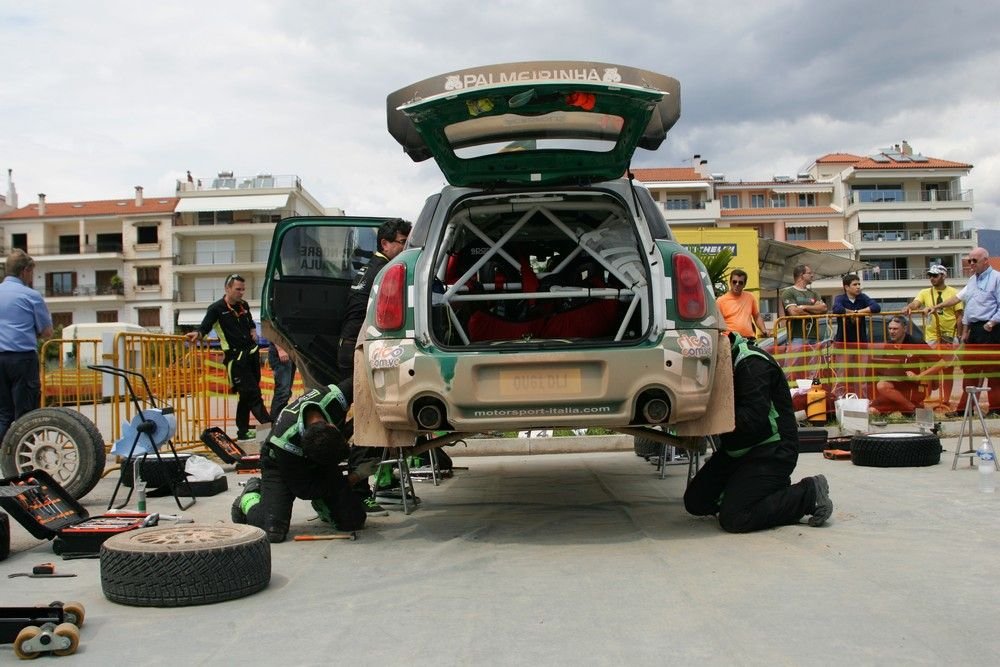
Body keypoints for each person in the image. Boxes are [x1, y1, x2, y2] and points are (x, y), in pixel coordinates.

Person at [684, 333, 833, 532]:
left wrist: (708, 417)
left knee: (735, 518)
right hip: (738, 450)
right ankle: (759, 492)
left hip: (772, 450)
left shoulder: (751, 364)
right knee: (696, 501)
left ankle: (808, 494)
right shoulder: (723, 364)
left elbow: (753, 418)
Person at [230, 385, 374, 543]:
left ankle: (324, 503)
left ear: (332, 426)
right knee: (273, 530)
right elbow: (304, 490)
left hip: (319, 457)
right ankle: (250, 495)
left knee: (353, 520)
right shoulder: (285, 440)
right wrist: (356, 476)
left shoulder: (332, 397)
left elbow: (362, 383)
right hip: (278, 464)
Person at [186, 274, 270, 441]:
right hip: (236, 360)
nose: (241, 292)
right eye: (238, 289)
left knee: (247, 395)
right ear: (227, 289)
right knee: (252, 395)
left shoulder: (243, 305)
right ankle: (270, 429)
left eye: (243, 289)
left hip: (251, 356)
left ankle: (243, 432)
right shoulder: (216, 308)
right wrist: (198, 333)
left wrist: (253, 330)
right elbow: (204, 327)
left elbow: (251, 322)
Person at [335, 218, 412, 401]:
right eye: (403, 242)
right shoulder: (387, 271)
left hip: (347, 343)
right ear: (385, 243)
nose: (407, 248)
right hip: (360, 346)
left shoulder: (369, 267)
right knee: (368, 406)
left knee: (355, 403)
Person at [929, 247, 1000, 417]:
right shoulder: (972, 280)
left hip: (991, 329)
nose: (971, 264)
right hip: (975, 330)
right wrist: (937, 307)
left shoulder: (997, 278)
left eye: (975, 260)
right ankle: (964, 409)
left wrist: (992, 322)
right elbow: (959, 299)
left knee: (993, 371)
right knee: (970, 370)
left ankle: (996, 409)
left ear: (986, 261)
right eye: (970, 260)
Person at [0, 249, 53, 444]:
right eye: (32, 273)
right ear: (25, 271)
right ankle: (23, 464)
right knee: (26, 415)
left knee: (3, 414)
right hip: (22, 358)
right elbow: (47, 332)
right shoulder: (31, 296)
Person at [902, 264, 963, 407]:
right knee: (929, 367)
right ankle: (926, 398)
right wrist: (908, 307)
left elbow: (959, 315)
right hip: (931, 336)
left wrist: (959, 335)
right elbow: (916, 303)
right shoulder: (925, 292)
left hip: (949, 335)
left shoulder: (954, 292)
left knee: (947, 369)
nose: (932, 278)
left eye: (935, 275)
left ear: (943, 276)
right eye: (930, 275)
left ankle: (946, 400)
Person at [869, 316, 935, 415]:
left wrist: (920, 376)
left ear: (904, 329)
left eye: (895, 329)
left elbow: (941, 362)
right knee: (872, 411)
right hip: (893, 389)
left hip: (913, 387)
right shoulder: (888, 346)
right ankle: (910, 408)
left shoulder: (916, 343)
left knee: (882, 385)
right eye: (890, 329)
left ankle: (910, 407)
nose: (892, 331)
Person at [780, 264, 828, 344]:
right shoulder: (788, 292)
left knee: (814, 357)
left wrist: (804, 307)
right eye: (809, 273)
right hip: (796, 337)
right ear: (801, 275)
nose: (812, 275)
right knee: (796, 357)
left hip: (814, 337)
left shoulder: (814, 293)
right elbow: (794, 312)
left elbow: (824, 308)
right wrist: (815, 311)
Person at [715, 269, 768, 341]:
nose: (737, 284)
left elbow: (756, 316)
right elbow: (717, 323)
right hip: (730, 340)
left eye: (740, 283)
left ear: (744, 284)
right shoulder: (721, 301)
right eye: (734, 282)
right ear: (730, 282)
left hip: (749, 339)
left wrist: (764, 329)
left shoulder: (750, 297)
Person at [832, 273, 880, 344]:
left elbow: (876, 307)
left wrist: (858, 312)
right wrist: (853, 312)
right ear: (846, 287)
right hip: (843, 341)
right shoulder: (840, 298)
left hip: (861, 341)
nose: (858, 287)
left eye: (859, 284)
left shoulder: (862, 297)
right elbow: (837, 309)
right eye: (855, 284)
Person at [268, 343, 296, 417]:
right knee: (282, 392)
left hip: (291, 353)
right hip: (281, 352)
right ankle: (275, 422)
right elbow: (275, 331)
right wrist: (280, 349)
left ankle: (279, 420)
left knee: (286, 393)